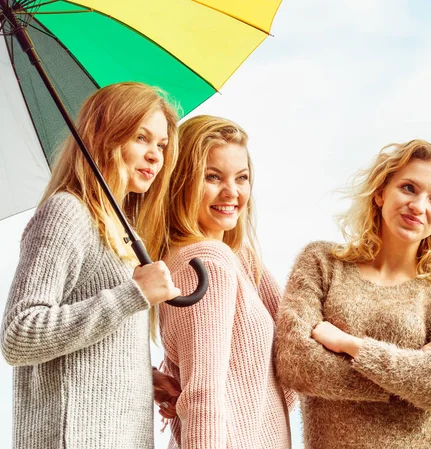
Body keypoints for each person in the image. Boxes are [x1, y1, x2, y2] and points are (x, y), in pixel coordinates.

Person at [1, 82, 182, 449]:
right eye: (141, 138)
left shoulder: (122, 231)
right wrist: (132, 294)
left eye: (161, 145)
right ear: (105, 136)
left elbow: (88, 349)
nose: (155, 156)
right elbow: (18, 335)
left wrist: (143, 378)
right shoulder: (66, 213)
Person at [275, 140, 431, 449]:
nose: (419, 206)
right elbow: (295, 363)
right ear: (381, 192)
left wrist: (351, 346)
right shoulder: (322, 263)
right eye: (409, 188)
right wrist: (414, 368)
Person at [156, 115, 296, 449]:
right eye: (212, 177)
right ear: (181, 181)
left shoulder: (236, 258)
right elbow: (202, 394)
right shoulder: (207, 263)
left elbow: (299, 334)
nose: (232, 192)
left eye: (242, 178)